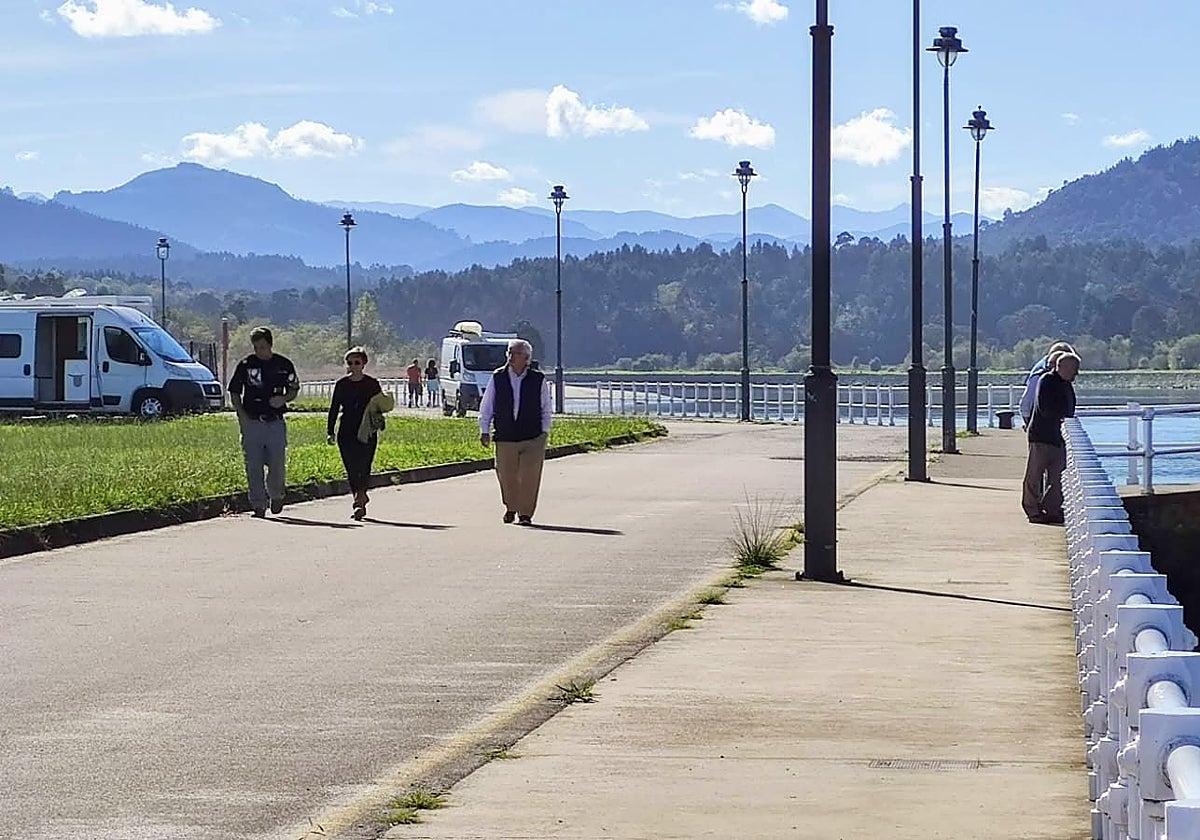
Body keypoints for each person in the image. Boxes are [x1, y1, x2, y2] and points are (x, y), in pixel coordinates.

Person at [478, 338, 553, 525]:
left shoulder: (538, 379)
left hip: (533, 436)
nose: (512, 356)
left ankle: (525, 514)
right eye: (510, 352)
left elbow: (546, 407)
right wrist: (484, 429)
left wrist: (544, 432)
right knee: (506, 474)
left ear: (527, 358)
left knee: (530, 476)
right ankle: (511, 507)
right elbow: (487, 405)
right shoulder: (498, 377)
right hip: (505, 435)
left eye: (517, 353)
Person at [228, 327, 300, 518]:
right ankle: (258, 504)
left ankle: (277, 495)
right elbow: (234, 391)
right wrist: (241, 414)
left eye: (263, 346)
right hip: (252, 422)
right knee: (253, 465)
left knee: (277, 464)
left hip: (275, 422)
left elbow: (293, 389)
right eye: (256, 347)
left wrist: (284, 399)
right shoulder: (246, 365)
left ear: (270, 344)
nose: (260, 351)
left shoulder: (283, 365)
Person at [326, 347, 391, 520]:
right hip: (346, 430)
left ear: (363, 364)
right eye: (350, 363)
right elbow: (334, 408)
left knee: (364, 465)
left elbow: (379, 406)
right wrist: (330, 431)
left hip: (367, 430)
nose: (353, 366)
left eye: (357, 362)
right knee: (351, 467)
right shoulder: (342, 384)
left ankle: (360, 497)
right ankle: (359, 497)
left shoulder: (372, 384)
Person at [1023, 352, 1080, 525]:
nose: (1076, 373)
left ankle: (1052, 508)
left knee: (1059, 477)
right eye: (1074, 369)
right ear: (1062, 367)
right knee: (1035, 475)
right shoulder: (1047, 380)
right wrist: (1062, 417)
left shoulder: (1066, 385)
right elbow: (1045, 407)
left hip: (1058, 437)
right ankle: (1032, 510)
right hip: (1041, 435)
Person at [1020, 341, 1075, 427]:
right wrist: (1029, 423)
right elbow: (1026, 403)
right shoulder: (1040, 377)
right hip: (1042, 428)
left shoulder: (1060, 379)